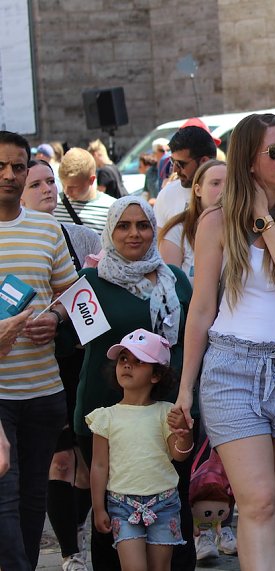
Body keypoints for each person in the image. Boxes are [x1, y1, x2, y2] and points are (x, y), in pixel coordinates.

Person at [173, 112, 275, 571]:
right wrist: (185, 388)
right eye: (274, 151)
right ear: (248, 160)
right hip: (232, 370)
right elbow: (201, 308)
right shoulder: (216, 222)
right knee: (257, 500)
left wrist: (263, 219)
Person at [75, 196, 193, 570]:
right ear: (110, 230)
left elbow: (194, 339)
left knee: (173, 510)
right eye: (123, 225)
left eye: (142, 224)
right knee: (110, 516)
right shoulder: (91, 282)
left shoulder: (176, 280)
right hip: (104, 414)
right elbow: (69, 342)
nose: (134, 233)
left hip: (167, 413)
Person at [0, 130, 78, 571]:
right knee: (5, 505)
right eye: (1, 167)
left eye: (18, 166)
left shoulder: (47, 228)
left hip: (43, 392)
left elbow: (73, 300)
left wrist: (57, 318)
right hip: (0, 394)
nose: (10, 175)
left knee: (31, 503)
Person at [22, 158, 101, 571]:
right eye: (36, 184)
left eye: (50, 181)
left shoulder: (82, 236)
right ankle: (69, 552)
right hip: (37, 363)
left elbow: (93, 301)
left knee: (87, 460)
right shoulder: (13, 240)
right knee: (60, 460)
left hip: (82, 359)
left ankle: (83, 534)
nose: (48, 189)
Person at [87, 329, 192, 571]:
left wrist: (184, 436)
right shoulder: (106, 417)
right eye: (123, 359)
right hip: (122, 505)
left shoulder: (166, 413)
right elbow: (99, 465)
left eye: (138, 362)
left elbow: (179, 455)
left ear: (156, 375)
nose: (127, 366)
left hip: (164, 503)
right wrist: (99, 507)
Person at [158, 159, 227, 284]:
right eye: (215, 183)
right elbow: (169, 287)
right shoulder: (177, 230)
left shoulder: (245, 227)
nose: (224, 190)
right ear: (198, 190)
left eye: (230, 184)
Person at [154, 123, 218, 228]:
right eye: (172, 161)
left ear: (204, 161)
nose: (175, 170)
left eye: (181, 164)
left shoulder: (234, 195)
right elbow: (160, 240)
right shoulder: (167, 195)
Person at [54, 147, 116, 234]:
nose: (66, 191)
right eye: (63, 185)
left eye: (73, 187)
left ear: (91, 180)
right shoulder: (54, 205)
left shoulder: (112, 209)